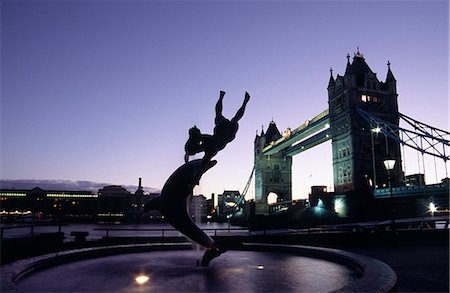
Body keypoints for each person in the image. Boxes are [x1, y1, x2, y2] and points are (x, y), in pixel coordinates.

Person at [184, 91, 250, 163]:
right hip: (222, 136)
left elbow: (203, 160)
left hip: (221, 135)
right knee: (229, 117)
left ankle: (226, 97)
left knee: (225, 116)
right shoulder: (207, 144)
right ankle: (228, 98)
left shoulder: (206, 143)